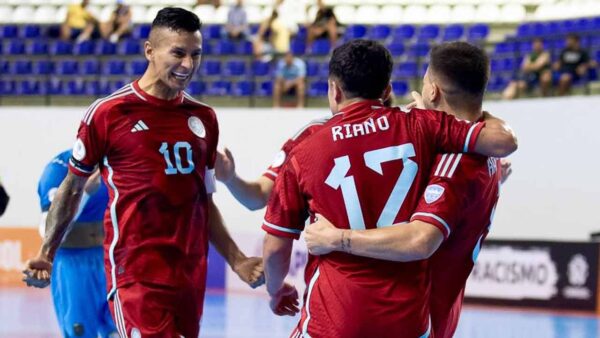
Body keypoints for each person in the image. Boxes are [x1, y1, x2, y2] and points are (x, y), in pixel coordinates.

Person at [23, 8, 263, 338]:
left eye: (196, 55)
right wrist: (46, 253)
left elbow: (202, 202)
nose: (188, 65)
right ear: (149, 50)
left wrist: (237, 260)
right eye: (177, 53)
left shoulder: (204, 118)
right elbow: (72, 188)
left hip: (189, 272)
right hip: (134, 273)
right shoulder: (109, 113)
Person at [261, 39, 517, 337]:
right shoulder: (434, 134)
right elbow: (503, 140)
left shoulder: (307, 148)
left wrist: (280, 285)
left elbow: (276, 245)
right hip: (411, 318)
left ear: (334, 89)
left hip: (336, 315)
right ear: (387, 90)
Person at [30, 150, 118, 338]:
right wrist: (83, 193)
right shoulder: (57, 171)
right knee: (81, 333)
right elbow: (47, 231)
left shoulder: (117, 164)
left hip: (111, 260)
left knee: (118, 330)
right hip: (73, 266)